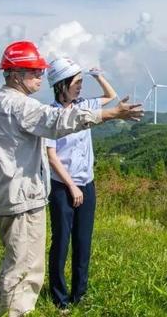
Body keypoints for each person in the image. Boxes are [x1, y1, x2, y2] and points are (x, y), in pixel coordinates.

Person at [0, 41, 142, 316]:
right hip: (23, 196)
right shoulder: (20, 106)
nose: (39, 77)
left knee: (22, 262)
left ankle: (30, 305)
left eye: (40, 71)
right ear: (14, 74)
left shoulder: (2, 101)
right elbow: (57, 122)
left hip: (15, 194)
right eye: (34, 71)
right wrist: (110, 114)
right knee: (22, 266)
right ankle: (15, 311)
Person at [45, 58, 116, 309]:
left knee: (83, 241)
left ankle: (79, 295)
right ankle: (59, 298)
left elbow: (111, 96)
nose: (80, 87)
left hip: (87, 183)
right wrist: (72, 186)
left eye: (81, 82)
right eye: (76, 83)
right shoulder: (51, 114)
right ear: (61, 85)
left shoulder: (84, 106)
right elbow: (51, 156)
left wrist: (98, 76)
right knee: (62, 241)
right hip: (63, 187)